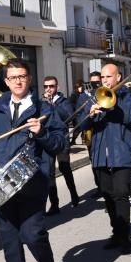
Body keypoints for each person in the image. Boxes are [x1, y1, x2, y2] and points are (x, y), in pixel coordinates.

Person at [0, 61, 66, 262]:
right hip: (2, 183)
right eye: (12, 77)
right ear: (6, 82)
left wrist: (42, 133)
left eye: (22, 76)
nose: (18, 81)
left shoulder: (44, 109)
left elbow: (60, 143)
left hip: (32, 183)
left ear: (29, 79)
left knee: (33, 235)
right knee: (10, 243)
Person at [79, 63, 131, 254]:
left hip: (121, 151)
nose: (104, 80)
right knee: (107, 193)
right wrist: (90, 114)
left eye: (108, 77)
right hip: (99, 153)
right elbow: (83, 124)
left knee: (121, 193)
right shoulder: (93, 97)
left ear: (118, 78)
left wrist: (111, 104)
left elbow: (129, 116)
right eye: (102, 77)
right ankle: (116, 232)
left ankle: (125, 237)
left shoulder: (127, 96)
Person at [42, 75, 79, 214]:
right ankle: (54, 204)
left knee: (65, 168)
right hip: (47, 140)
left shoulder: (64, 101)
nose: (48, 89)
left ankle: (74, 195)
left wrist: (53, 105)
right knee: (49, 173)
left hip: (62, 139)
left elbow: (68, 117)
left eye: (51, 86)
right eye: (46, 86)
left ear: (57, 87)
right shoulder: (42, 102)